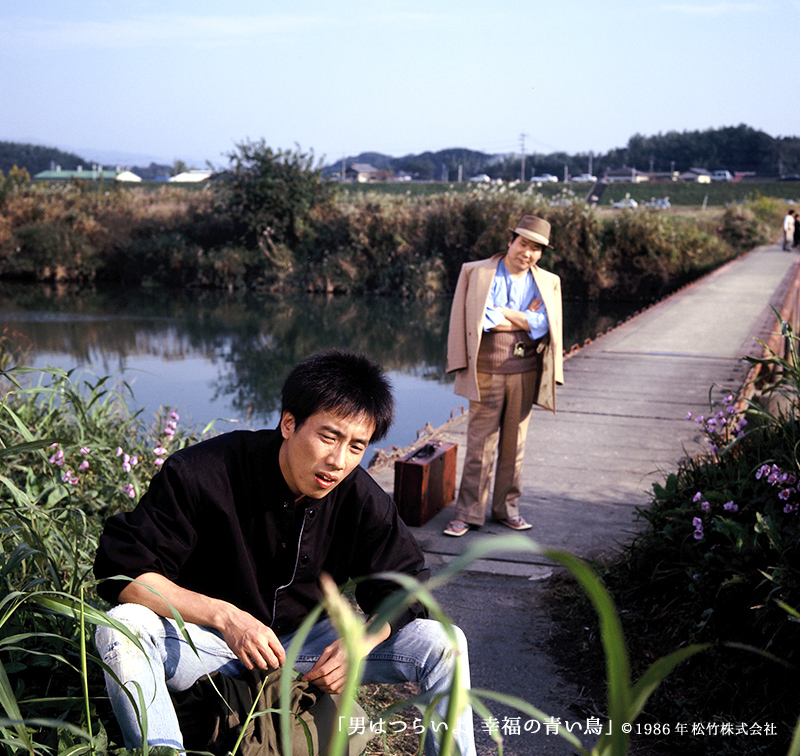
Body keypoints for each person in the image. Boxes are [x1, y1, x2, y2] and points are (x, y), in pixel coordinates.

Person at [93, 349, 476, 756]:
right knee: (122, 626)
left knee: (444, 641)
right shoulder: (203, 472)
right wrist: (226, 617)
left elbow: (405, 586)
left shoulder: (360, 495)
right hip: (209, 642)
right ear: (289, 423)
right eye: (329, 437)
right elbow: (123, 572)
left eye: (356, 446)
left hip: (307, 646)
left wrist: (359, 642)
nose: (338, 461)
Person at [443, 215, 563, 537]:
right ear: (511, 241)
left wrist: (505, 313)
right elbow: (482, 320)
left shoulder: (548, 282)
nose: (528, 253)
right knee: (480, 444)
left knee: (515, 444)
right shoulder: (477, 271)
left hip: (525, 371)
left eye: (536, 249)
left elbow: (544, 325)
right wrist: (525, 318)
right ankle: (468, 513)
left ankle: (507, 508)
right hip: (485, 369)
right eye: (523, 244)